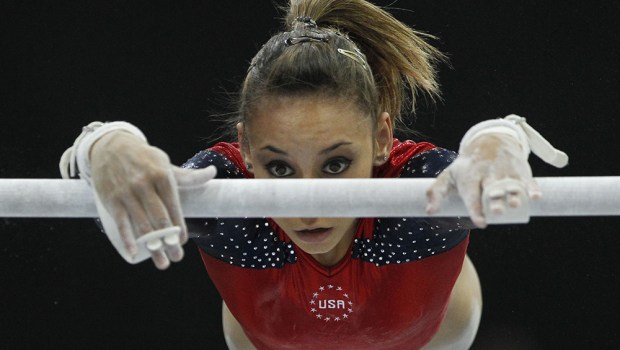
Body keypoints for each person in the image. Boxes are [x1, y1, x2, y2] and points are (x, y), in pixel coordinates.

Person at [59, 0, 567, 349]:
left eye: (335, 163)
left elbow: (482, 164)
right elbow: (117, 213)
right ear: (246, 153)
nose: (307, 203)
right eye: (279, 167)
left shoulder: (420, 195)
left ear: (383, 140)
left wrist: (497, 139)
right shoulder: (223, 200)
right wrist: (104, 145)